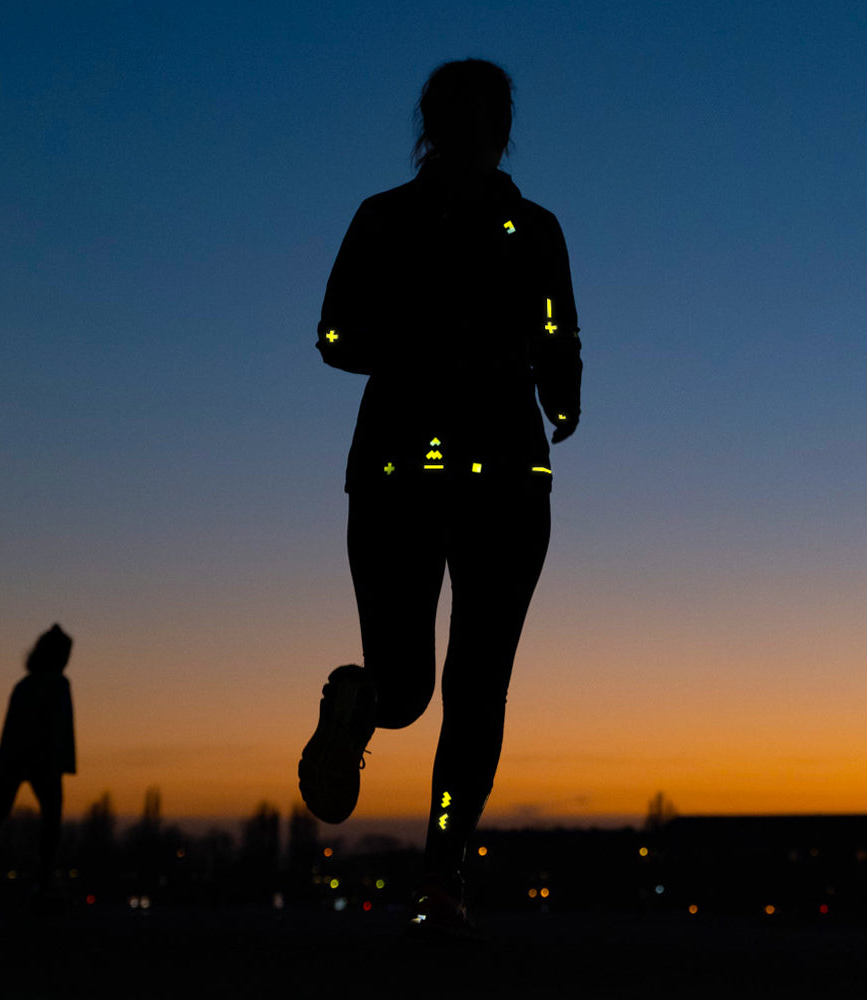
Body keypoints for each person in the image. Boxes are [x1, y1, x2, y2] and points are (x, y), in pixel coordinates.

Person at [298, 59, 582, 935]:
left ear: (428, 126)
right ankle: (441, 876)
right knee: (477, 685)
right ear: (503, 130)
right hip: (505, 473)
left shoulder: (383, 218)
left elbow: (335, 335)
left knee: (406, 686)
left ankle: (361, 702)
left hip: (395, 468)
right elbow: (558, 335)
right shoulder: (534, 229)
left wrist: (408, 349)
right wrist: (559, 399)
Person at [0, 624, 76, 894]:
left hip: (12, 759)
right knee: (51, 820)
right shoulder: (58, 684)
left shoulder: (24, 684)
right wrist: (58, 764)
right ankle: (45, 884)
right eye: (65, 654)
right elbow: (60, 729)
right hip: (42, 760)